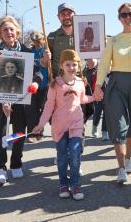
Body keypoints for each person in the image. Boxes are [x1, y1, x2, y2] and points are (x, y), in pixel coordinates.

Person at [93, 3, 131, 184]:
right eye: (124, 14)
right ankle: (121, 168)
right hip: (116, 84)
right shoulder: (114, 40)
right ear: (119, 18)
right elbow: (104, 64)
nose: (128, 17)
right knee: (119, 126)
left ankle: (127, 160)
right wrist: (98, 85)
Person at [0, 16, 42, 186]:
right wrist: (2, 100)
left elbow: (38, 73)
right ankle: (1, 169)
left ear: (17, 31)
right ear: (0, 34)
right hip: (1, 103)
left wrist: (35, 82)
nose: (9, 32)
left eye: (11, 29)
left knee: (19, 132)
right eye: (5, 30)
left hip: (21, 100)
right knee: (0, 134)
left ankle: (16, 163)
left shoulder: (27, 52)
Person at [33, 49, 94, 200]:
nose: (71, 67)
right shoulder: (55, 84)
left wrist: (94, 97)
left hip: (76, 124)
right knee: (62, 158)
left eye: (74, 64)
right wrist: (40, 124)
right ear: (61, 66)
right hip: (59, 127)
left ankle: (75, 184)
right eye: (68, 64)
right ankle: (63, 184)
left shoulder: (80, 82)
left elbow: (81, 99)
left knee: (74, 153)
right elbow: (48, 106)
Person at [25, 30, 51, 143]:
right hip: (32, 86)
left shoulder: (47, 51)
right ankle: (32, 133)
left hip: (45, 85)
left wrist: (48, 58)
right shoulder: (29, 52)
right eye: (35, 41)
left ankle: (39, 131)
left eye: (39, 40)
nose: (37, 43)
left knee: (43, 110)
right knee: (31, 110)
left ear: (43, 39)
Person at [47, 3, 75, 76]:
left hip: (79, 81)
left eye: (69, 13)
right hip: (59, 81)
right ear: (58, 17)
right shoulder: (52, 37)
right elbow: (43, 63)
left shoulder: (83, 35)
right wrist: (45, 58)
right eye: (63, 14)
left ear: (74, 15)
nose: (66, 17)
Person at [83, 58, 100, 137]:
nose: (90, 62)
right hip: (86, 94)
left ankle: (95, 127)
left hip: (96, 93)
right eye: (88, 60)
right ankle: (82, 126)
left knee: (96, 111)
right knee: (85, 111)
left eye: (92, 60)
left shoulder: (99, 69)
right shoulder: (83, 71)